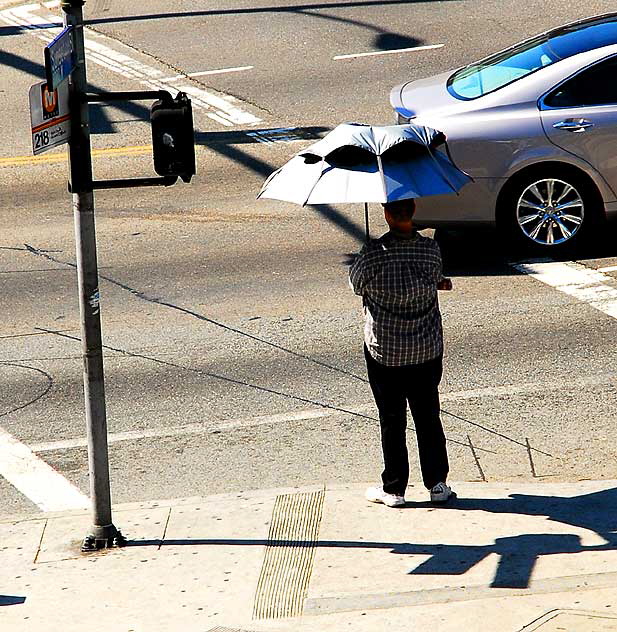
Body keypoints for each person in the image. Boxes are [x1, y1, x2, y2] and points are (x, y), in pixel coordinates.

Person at [349, 198, 455, 508]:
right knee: (428, 416)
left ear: (386, 214)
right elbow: (436, 279)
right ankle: (437, 483)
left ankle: (394, 488)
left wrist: (367, 255)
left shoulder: (371, 254)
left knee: (391, 418)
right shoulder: (429, 250)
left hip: (386, 351)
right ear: (413, 213)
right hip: (426, 348)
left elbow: (356, 285)